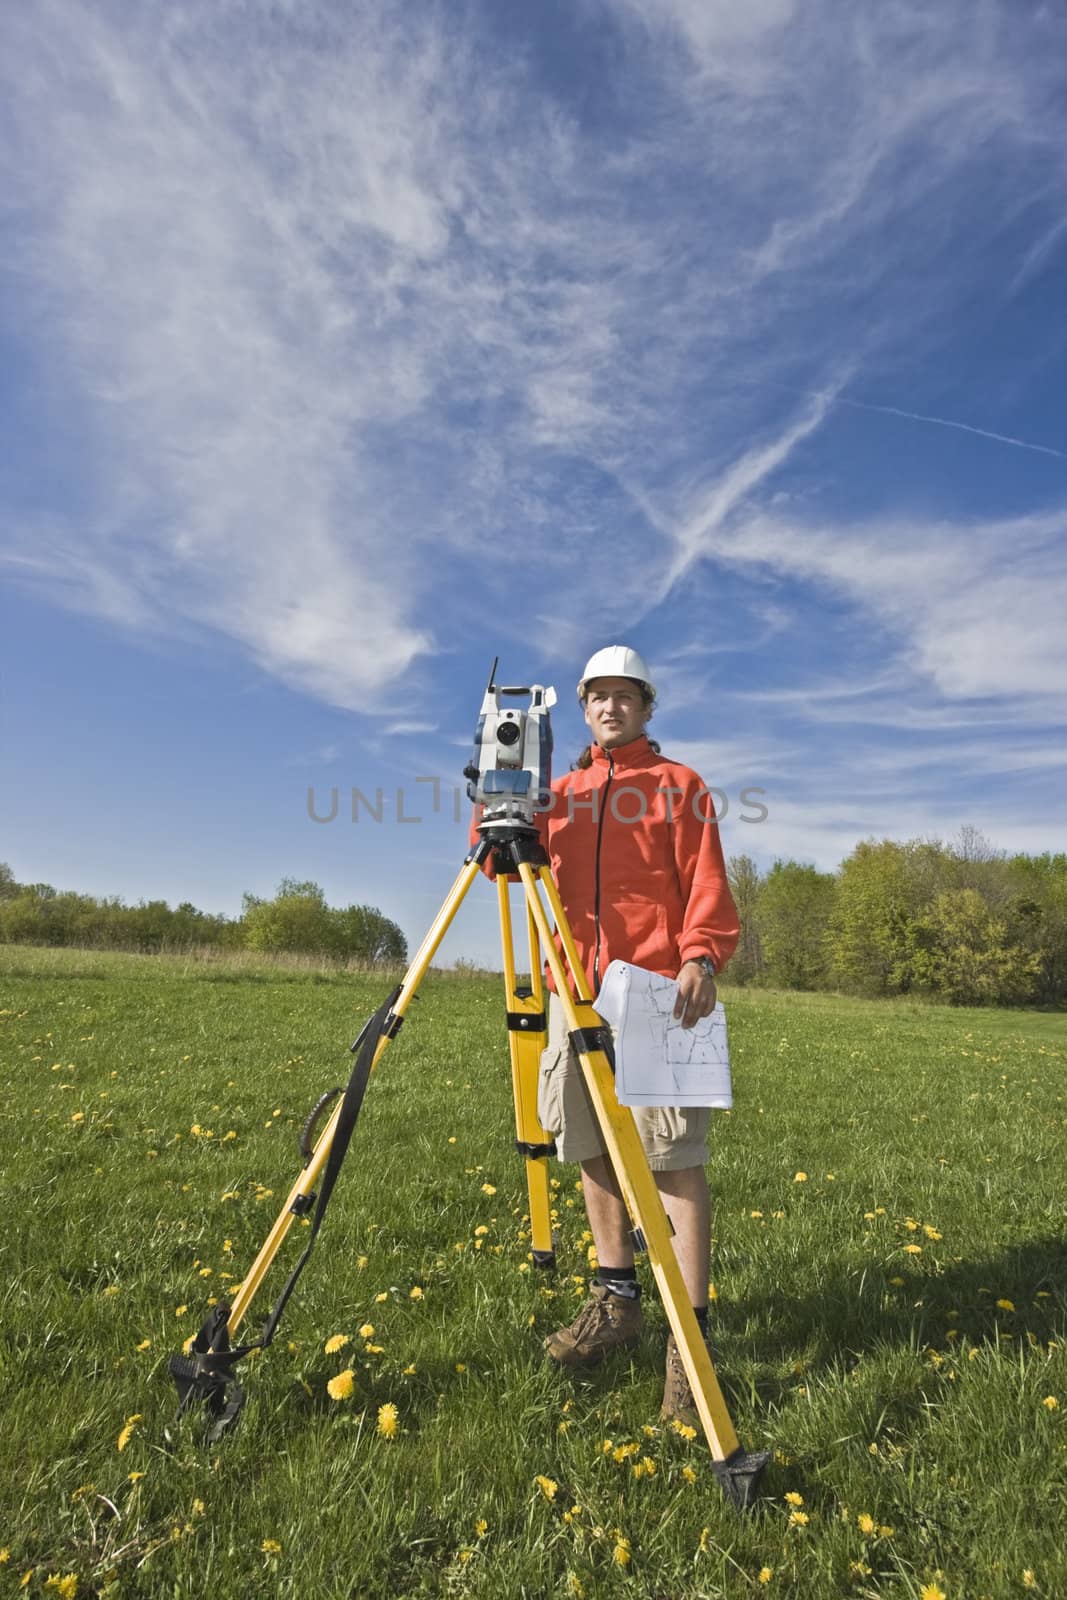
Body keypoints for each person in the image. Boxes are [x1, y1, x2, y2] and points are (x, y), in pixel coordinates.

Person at [529, 645, 740, 1420]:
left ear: (646, 707)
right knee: (588, 1141)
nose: (610, 707)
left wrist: (700, 954)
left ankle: (690, 1341)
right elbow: (497, 867)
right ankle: (616, 1300)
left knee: (671, 1156)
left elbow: (706, 878)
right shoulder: (560, 793)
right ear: (583, 709)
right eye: (598, 696)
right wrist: (497, 802)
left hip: (659, 988)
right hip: (573, 989)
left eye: (626, 696)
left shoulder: (679, 785)